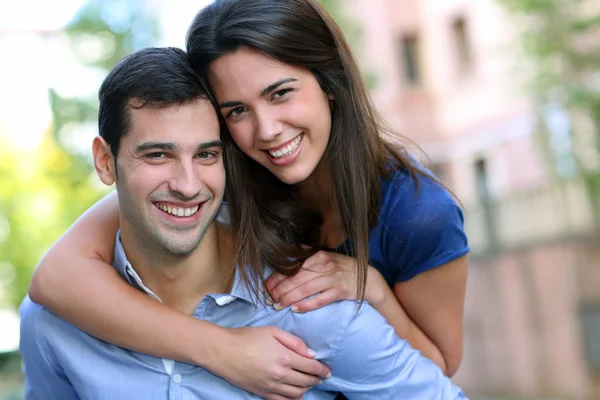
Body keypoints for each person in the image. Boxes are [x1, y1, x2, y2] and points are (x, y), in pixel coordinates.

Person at [28, 0, 469, 398]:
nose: (267, 130)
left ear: (329, 83)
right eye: (236, 110)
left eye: (281, 93)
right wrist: (220, 349)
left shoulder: (416, 213)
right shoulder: (219, 173)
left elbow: (437, 371)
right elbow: (55, 280)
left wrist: (370, 288)